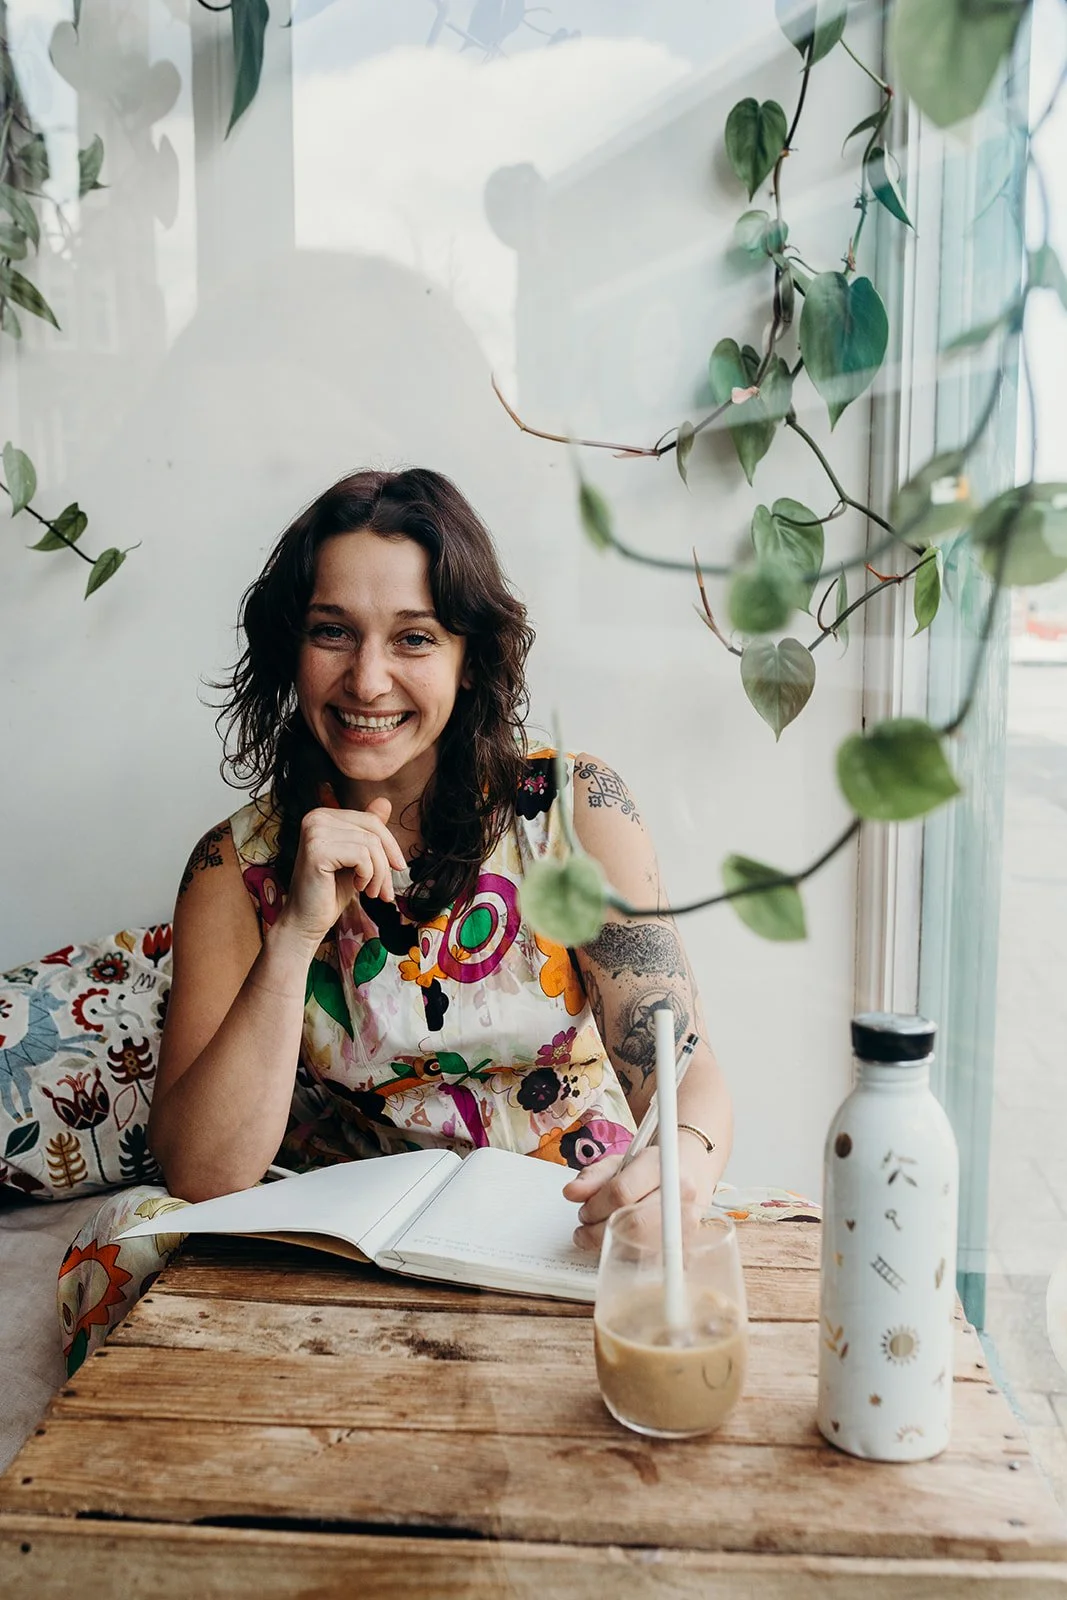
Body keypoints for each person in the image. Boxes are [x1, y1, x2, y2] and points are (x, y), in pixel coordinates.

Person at [57, 466, 734, 1372]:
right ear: (288, 649)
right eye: (332, 632)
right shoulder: (233, 867)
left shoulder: (572, 809)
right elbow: (203, 1175)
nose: (366, 679)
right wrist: (295, 934)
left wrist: (678, 1168)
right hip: (346, 1245)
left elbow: (683, 1073)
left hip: (562, 1220)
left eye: (413, 638)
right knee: (128, 1236)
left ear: (469, 656)